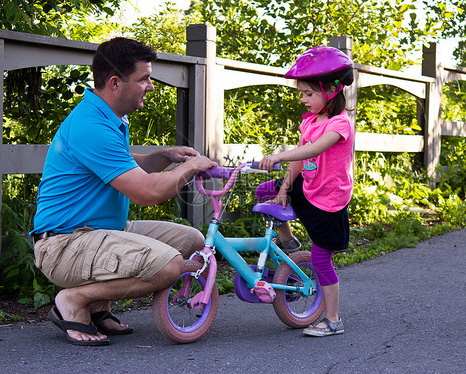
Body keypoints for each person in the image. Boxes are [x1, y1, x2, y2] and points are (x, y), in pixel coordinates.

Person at [30, 37, 216, 346]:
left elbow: (124, 166)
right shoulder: (91, 126)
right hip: (65, 244)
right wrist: (191, 168)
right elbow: (147, 194)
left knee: (192, 242)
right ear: (116, 83)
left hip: (100, 231)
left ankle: (98, 307)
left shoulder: (110, 117)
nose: (151, 86)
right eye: (144, 79)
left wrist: (164, 157)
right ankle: (75, 299)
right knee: (169, 265)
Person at [257, 46, 355, 337]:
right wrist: (284, 187)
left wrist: (278, 155)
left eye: (308, 93)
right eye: (301, 93)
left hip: (329, 199)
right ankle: (288, 242)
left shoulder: (340, 124)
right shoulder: (309, 121)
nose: (303, 99)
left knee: (321, 259)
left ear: (331, 91)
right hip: (308, 186)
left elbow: (314, 148)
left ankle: (333, 319)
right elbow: (301, 158)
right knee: (266, 191)